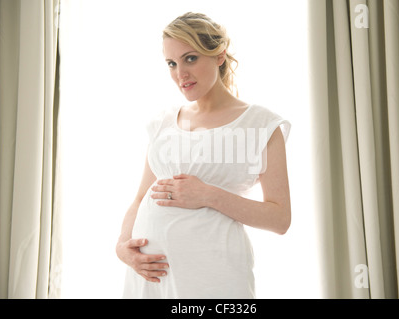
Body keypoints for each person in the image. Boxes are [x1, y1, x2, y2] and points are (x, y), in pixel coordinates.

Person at [116, 12, 292, 299]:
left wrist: (208, 195)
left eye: (190, 58)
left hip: (212, 276)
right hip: (150, 275)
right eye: (171, 63)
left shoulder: (260, 124)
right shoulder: (163, 122)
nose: (180, 74)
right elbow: (140, 198)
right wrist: (123, 246)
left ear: (219, 56)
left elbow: (280, 219)